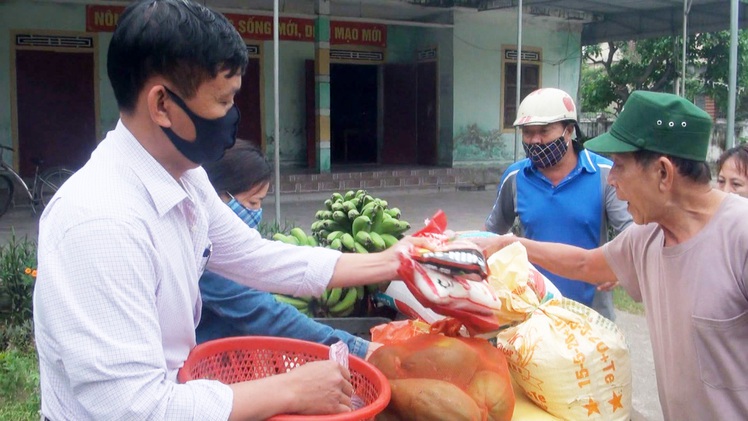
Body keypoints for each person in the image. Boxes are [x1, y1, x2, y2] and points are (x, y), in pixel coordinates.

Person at [32, 1, 411, 419]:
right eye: (223, 101)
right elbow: (133, 409)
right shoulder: (101, 222)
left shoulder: (184, 178)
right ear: (161, 104)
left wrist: (395, 262)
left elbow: (257, 258)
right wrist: (289, 389)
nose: (232, 117)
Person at [474, 90, 748, 420]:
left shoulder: (740, 237)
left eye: (619, 166)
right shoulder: (647, 236)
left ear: (663, 172)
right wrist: (509, 244)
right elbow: (585, 263)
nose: (612, 180)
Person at [197, 140, 374, 358]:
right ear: (216, 196)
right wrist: (358, 349)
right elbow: (263, 312)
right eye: (252, 203)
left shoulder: (225, 243)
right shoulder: (205, 253)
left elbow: (278, 265)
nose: (257, 212)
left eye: (261, 203)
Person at [485, 88, 632, 320]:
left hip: (591, 319)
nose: (535, 140)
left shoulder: (605, 175)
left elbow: (631, 234)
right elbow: (491, 236)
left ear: (569, 130)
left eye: (543, 131)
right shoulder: (515, 178)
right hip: (532, 316)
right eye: (527, 133)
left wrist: (621, 265)